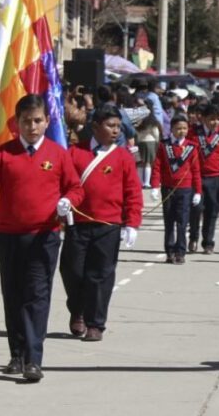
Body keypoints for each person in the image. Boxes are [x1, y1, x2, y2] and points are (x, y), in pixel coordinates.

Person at [0, 94, 84, 382]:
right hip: (9, 236)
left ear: (47, 121)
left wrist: (68, 201)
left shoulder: (58, 154)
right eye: (26, 121)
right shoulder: (4, 154)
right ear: (16, 123)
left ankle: (33, 359)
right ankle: (16, 354)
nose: (32, 127)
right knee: (13, 295)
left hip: (44, 236)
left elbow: (76, 188)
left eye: (38, 121)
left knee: (37, 296)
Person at [60, 105, 143, 342]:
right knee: (72, 272)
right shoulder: (75, 152)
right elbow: (63, 183)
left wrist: (132, 223)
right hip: (77, 223)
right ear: (95, 127)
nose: (116, 131)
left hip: (108, 225)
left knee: (101, 275)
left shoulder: (123, 157)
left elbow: (133, 191)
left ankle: (95, 323)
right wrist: (62, 205)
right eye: (110, 126)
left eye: (118, 126)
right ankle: (77, 309)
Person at [187, 103, 219, 254]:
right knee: (196, 209)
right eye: (211, 119)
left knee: (212, 211)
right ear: (203, 118)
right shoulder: (194, 133)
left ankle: (208, 242)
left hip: (215, 179)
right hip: (196, 178)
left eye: (217, 119)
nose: (214, 122)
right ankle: (193, 237)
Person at [150, 113, 202, 263]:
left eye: (185, 128)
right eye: (178, 128)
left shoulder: (192, 147)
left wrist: (198, 191)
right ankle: (169, 251)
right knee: (169, 221)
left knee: (182, 222)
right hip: (168, 189)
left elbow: (196, 171)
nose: (182, 131)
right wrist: (155, 186)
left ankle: (180, 252)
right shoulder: (164, 145)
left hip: (185, 189)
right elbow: (157, 167)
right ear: (171, 129)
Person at [135, 112, 163, 188]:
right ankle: (147, 183)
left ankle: (140, 182)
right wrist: (157, 142)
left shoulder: (139, 123)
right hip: (150, 143)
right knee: (148, 162)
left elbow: (137, 134)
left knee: (140, 162)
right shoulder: (152, 123)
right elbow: (156, 134)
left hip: (140, 143)